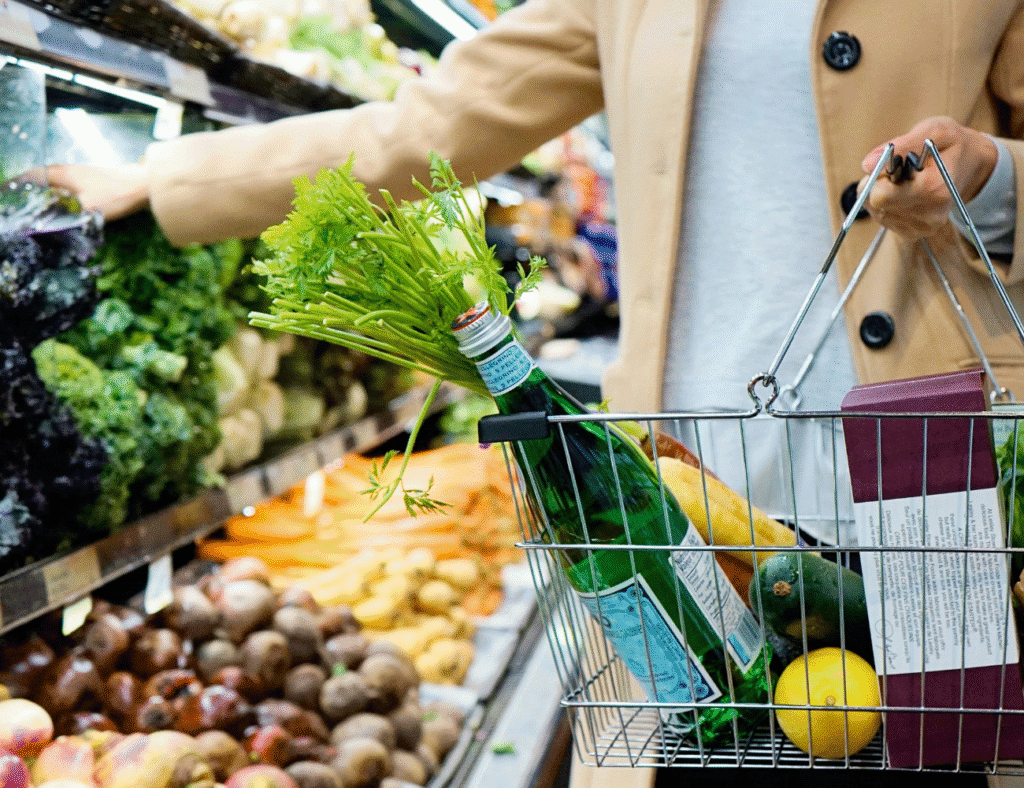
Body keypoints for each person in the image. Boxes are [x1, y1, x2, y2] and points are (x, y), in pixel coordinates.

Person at [41, 1, 1024, 786]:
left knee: (942, 753)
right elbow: (425, 129)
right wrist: (165, 180)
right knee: (711, 750)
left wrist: (991, 184)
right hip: (683, 484)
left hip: (933, 477)